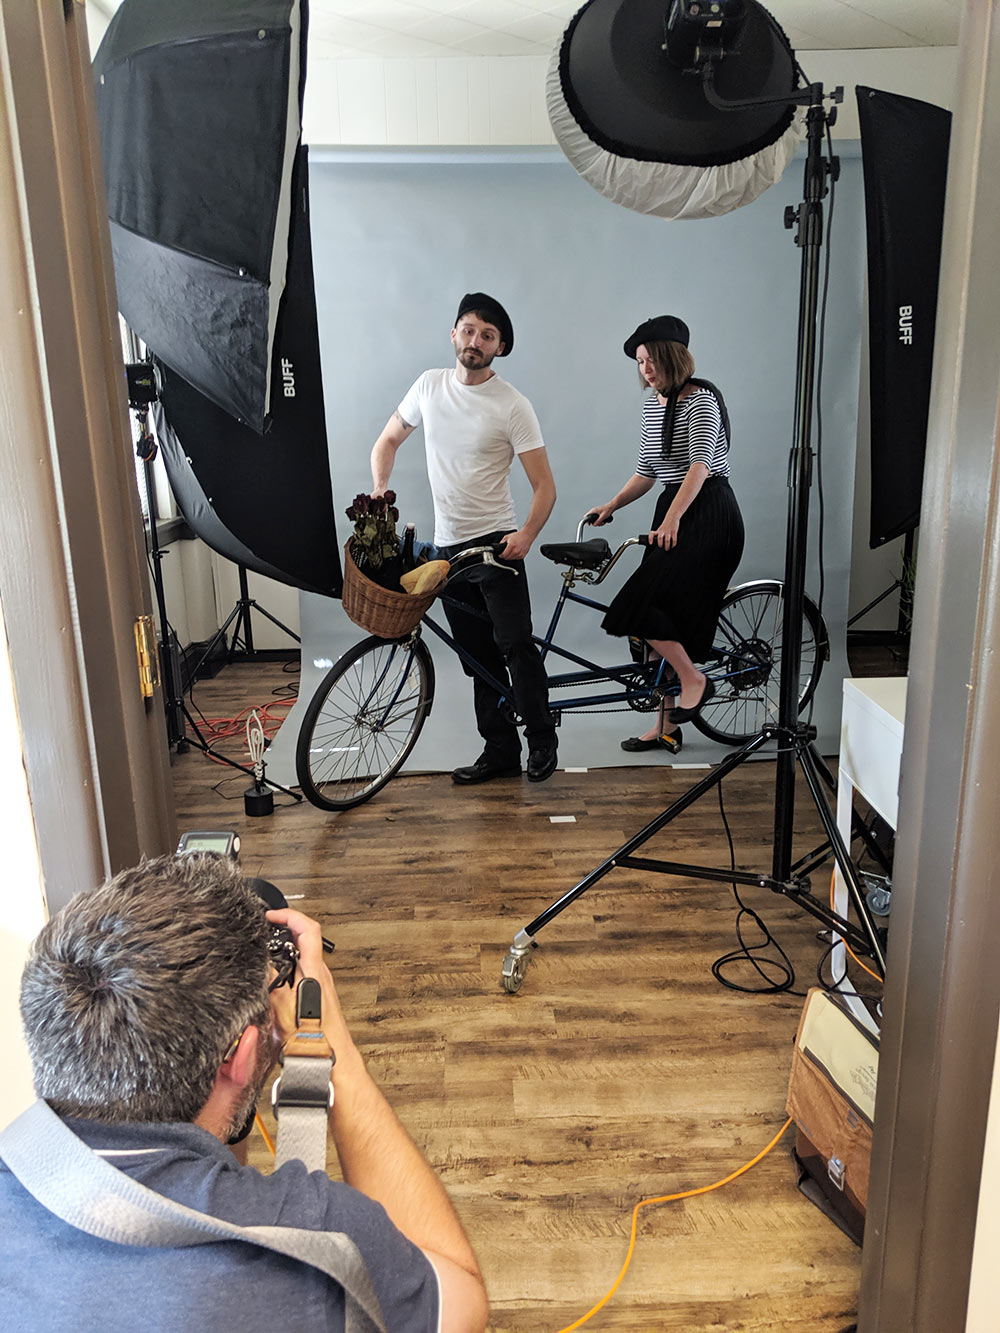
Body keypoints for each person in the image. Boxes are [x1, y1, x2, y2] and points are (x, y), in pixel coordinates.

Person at [1, 853, 489, 1333]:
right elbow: (459, 1302)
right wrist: (328, 1045)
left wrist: (235, 1074)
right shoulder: (318, 1242)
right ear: (240, 1056)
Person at [370, 292, 558, 785]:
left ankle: (541, 740)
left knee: (515, 645)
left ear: (499, 348)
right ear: (454, 334)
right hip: (449, 549)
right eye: (469, 330)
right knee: (477, 658)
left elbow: (545, 487)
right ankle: (500, 752)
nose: (476, 341)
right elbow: (387, 440)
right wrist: (379, 487)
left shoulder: (512, 405)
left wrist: (527, 536)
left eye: (488, 335)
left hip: (498, 545)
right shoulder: (428, 387)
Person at [589, 315, 744, 752]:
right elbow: (648, 472)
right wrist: (612, 505)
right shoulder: (655, 404)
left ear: (672, 357)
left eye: (651, 359)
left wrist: (673, 519)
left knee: (640, 608)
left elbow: (699, 466)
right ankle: (665, 725)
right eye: (639, 362)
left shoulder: (702, 401)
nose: (646, 369)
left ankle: (695, 678)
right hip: (673, 510)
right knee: (658, 620)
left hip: (709, 512)